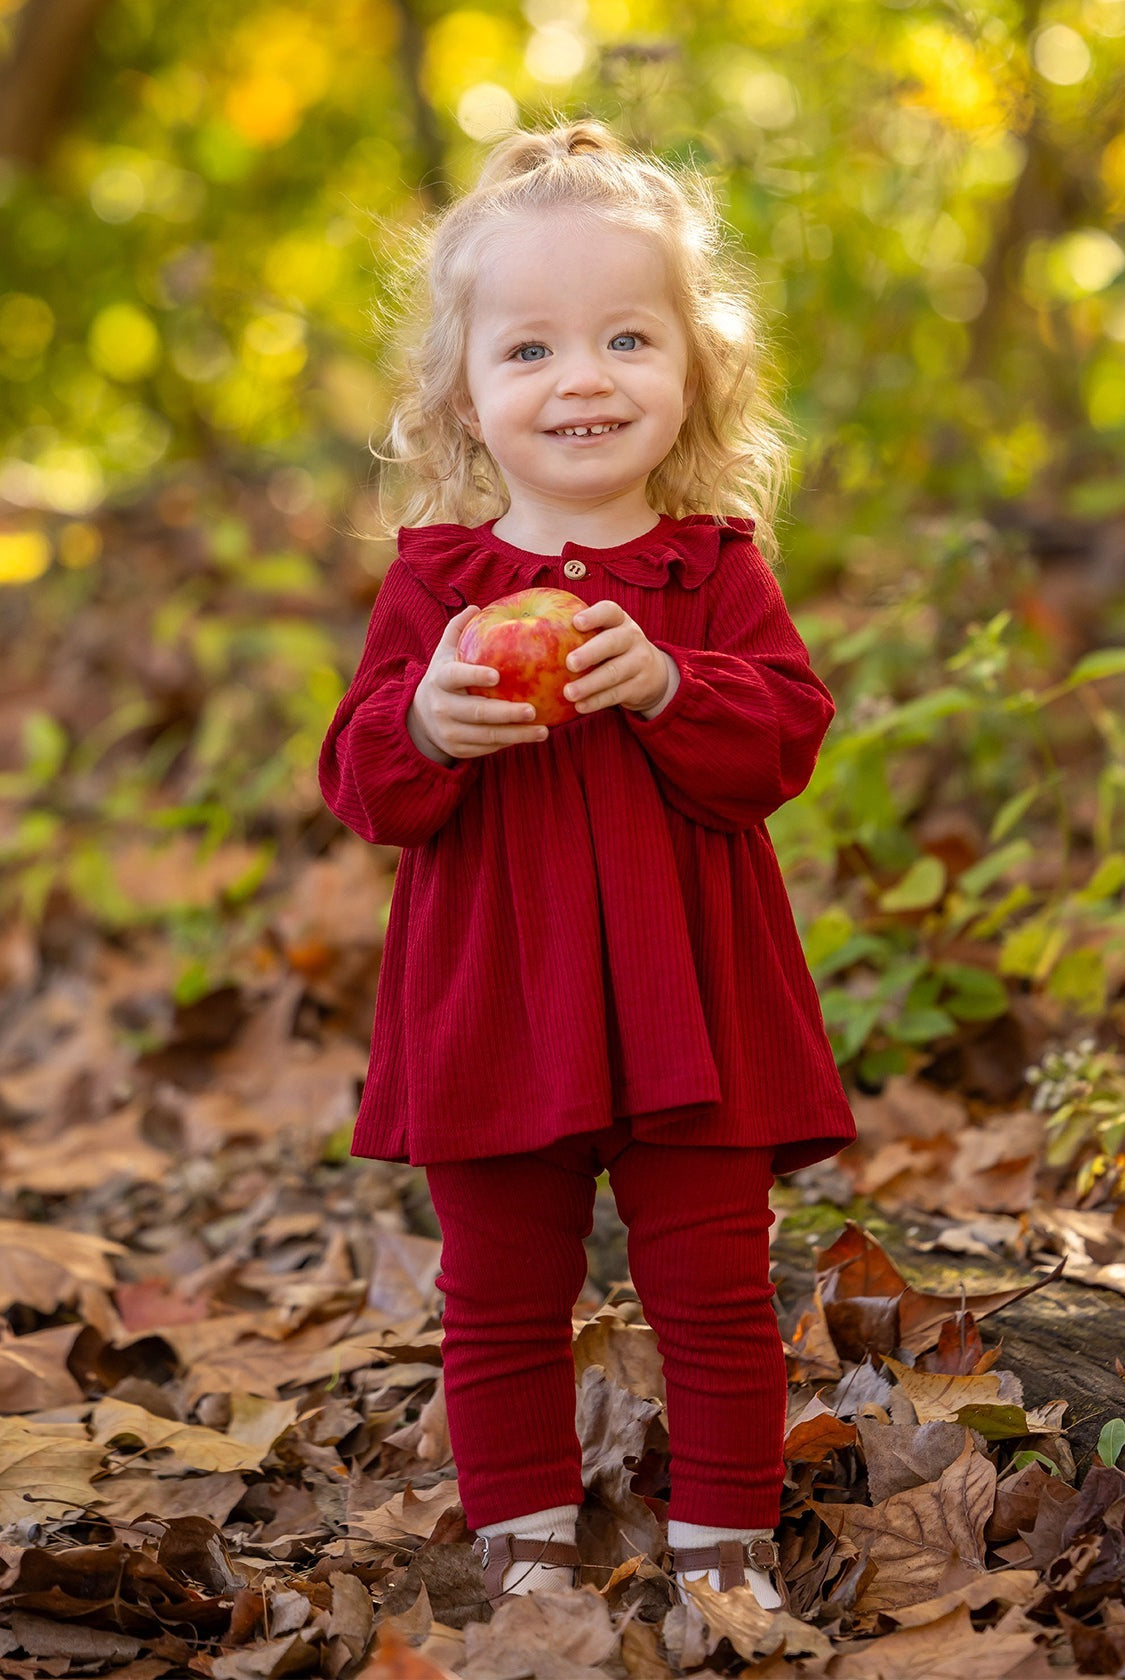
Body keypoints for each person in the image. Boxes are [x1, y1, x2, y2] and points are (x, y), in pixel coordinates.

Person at [318, 117, 856, 1613]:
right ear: (464, 393)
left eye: (627, 337)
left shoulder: (709, 567)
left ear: (694, 371)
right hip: (494, 997)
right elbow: (359, 779)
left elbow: (785, 739)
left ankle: (722, 1550)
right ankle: (528, 1554)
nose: (583, 379)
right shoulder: (437, 582)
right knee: (497, 1296)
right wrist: (426, 715)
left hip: (693, 999)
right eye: (532, 349)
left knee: (714, 1287)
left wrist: (674, 683)